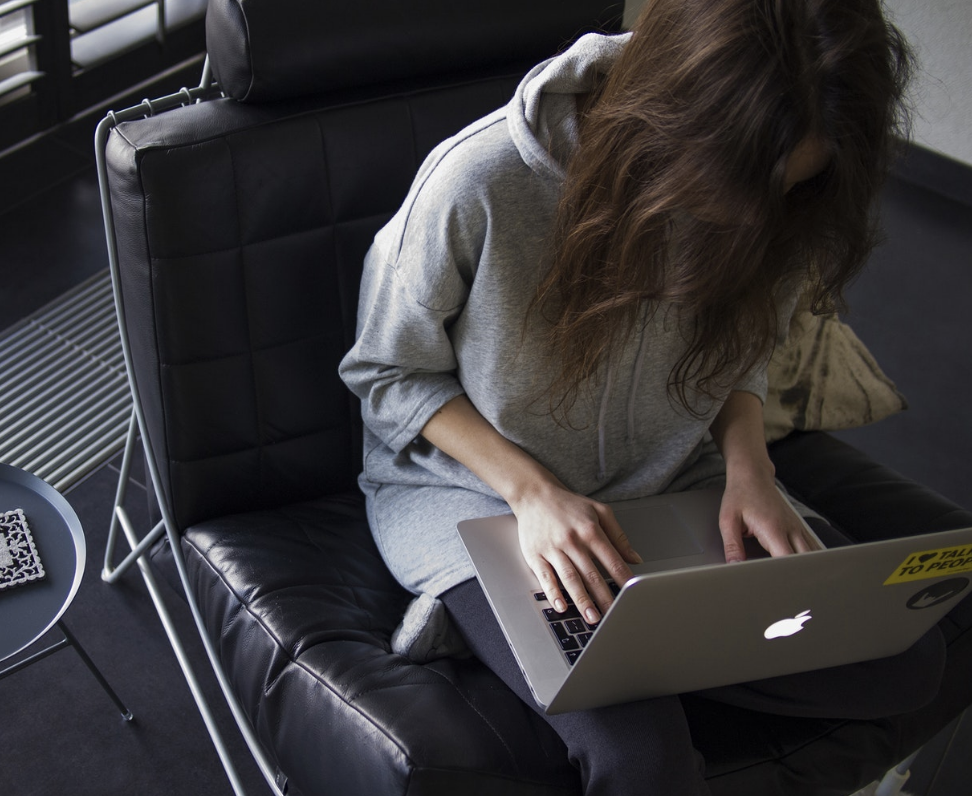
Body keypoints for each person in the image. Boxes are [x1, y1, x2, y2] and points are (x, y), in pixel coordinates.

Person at [339, 1, 944, 794]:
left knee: (905, 659)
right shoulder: (477, 181)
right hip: (478, 496)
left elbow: (744, 348)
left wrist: (748, 465)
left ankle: (610, 648)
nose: (754, 219)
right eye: (735, 186)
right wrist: (535, 495)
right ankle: (500, 618)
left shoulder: (789, 194)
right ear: (674, 116)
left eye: (788, 189)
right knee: (641, 761)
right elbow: (385, 373)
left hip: (671, 479)